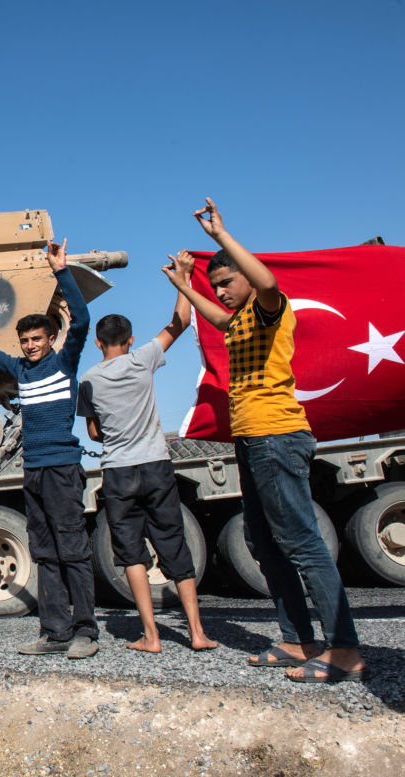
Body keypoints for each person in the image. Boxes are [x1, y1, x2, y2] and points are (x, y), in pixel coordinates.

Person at [165, 198, 364, 683]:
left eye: (227, 282)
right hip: (253, 441)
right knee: (261, 539)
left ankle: (345, 649)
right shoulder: (240, 323)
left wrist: (219, 237)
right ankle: (299, 638)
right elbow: (216, 318)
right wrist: (184, 285)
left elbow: (270, 282)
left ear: (249, 277)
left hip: (277, 434)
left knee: (301, 541)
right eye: (217, 286)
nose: (223, 292)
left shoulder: (271, 308)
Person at [0, 239, 99, 659]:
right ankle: (54, 633)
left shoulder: (64, 363)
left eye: (37, 338)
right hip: (33, 470)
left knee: (73, 550)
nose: (30, 345)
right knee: (45, 553)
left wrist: (61, 271)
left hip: (62, 468)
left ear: (51, 338)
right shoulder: (20, 369)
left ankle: (86, 632)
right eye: (25, 340)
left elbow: (84, 320)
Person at [77, 259, 217, 653]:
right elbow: (180, 322)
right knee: (173, 542)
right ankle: (197, 633)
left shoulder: (88, 380)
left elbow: (93, 432)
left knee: (132, 552)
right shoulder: (144, 359)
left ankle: (151, 636)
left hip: (119, 471)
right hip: (156, 463)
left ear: (98, 344)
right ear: (131, 338)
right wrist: (183, 280)